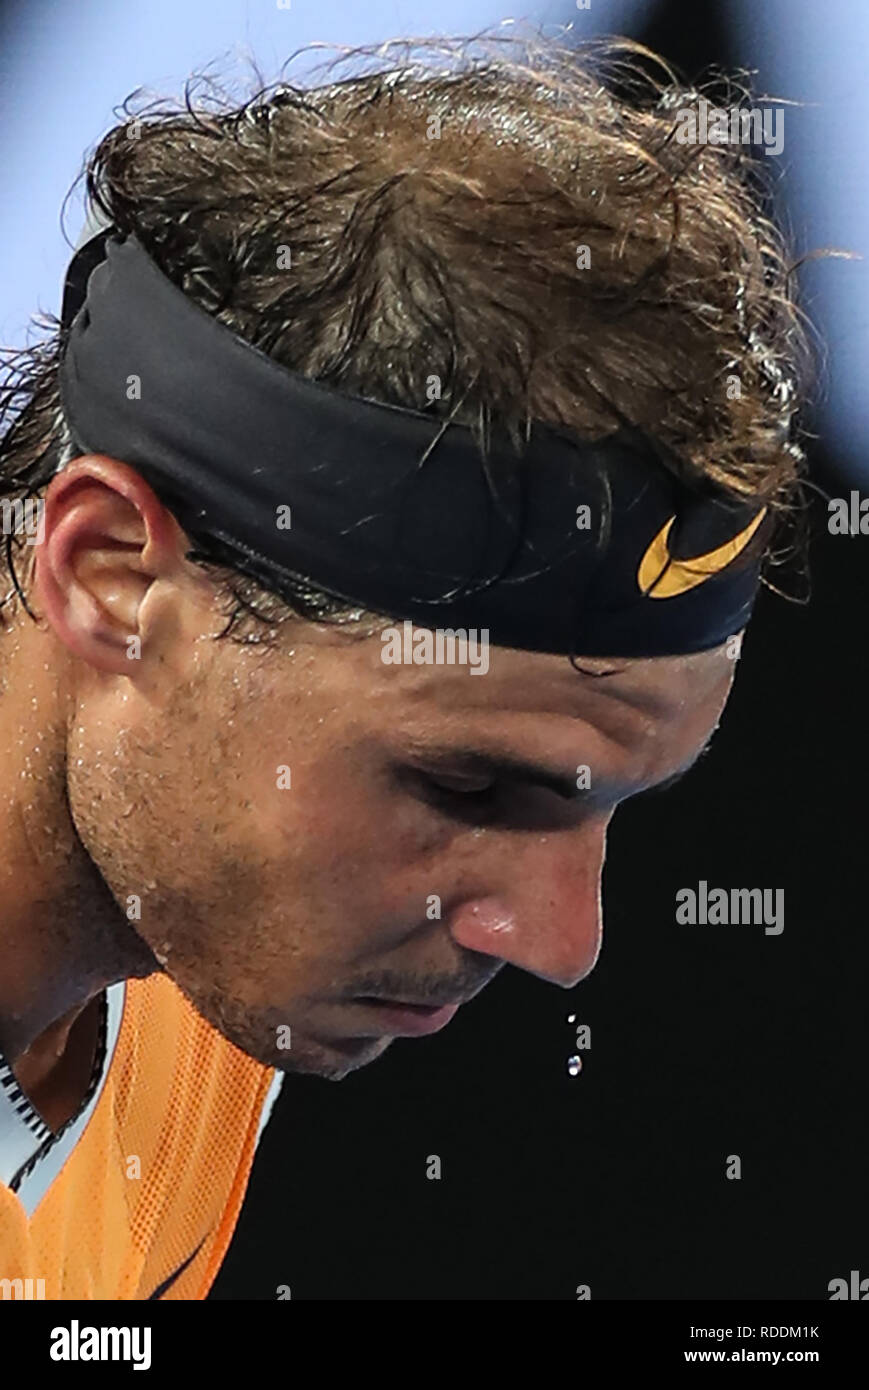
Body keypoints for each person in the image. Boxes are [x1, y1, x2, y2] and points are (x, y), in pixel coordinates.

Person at [0, 35, 810, 1299]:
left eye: (618, 801)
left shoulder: (192, 982)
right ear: (111, 578)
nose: (558, 942)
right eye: (465, 787)